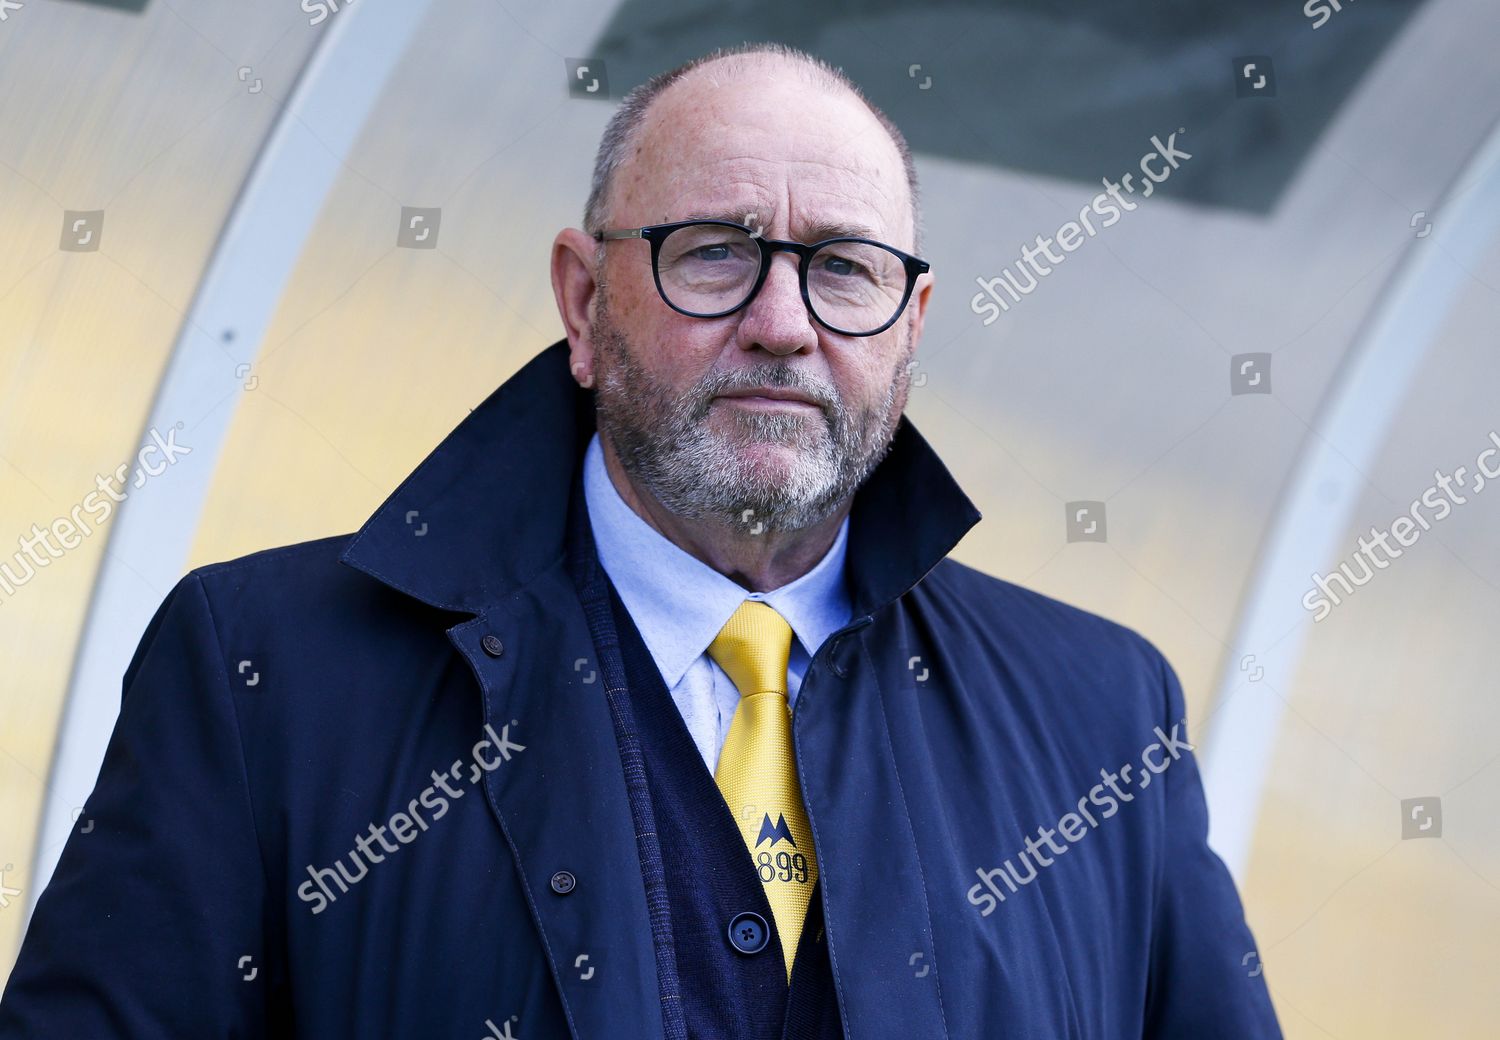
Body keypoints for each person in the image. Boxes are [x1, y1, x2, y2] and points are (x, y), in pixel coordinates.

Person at [0, 42, 1281, 1039]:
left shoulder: (1104, 721)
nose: (784, 321)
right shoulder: (264, 674)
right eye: (715, 253)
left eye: (844, 268)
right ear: (580, 296)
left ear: (912, 320)